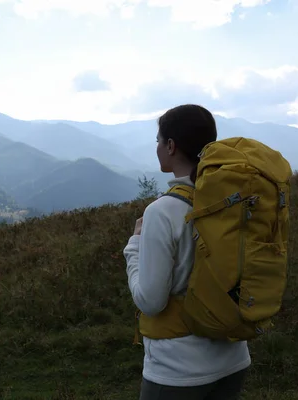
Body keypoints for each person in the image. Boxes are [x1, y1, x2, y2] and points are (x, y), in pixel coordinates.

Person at [123, 104, 251, 400]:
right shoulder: (234, 202)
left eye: (158, 140)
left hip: (178, 371)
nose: (156, 147)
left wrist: (133, 248)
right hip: (233, 357)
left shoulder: (162, 212)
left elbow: (150, 302)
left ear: (170, 145)